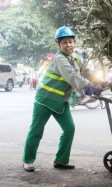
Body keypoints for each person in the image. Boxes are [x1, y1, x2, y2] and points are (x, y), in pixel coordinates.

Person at [22, 26, 94, 172]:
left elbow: (87, 72)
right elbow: (72, 76)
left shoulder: (76, 58)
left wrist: (100, 83)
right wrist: (87, 87)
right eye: (64, 43)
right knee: (36, 130)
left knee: (69, 129)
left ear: (74, 42)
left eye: (70, 41)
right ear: (59, 45)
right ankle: (27, 161)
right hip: (45, 100)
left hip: (60, 101)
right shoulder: (59, 58)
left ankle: (61, 160)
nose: (68, 45)